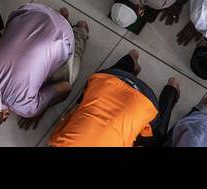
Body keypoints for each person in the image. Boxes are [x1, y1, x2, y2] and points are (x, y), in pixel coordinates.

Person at [0, 4, 85, 132]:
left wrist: (40, 109)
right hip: (31, 11)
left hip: (63, 33)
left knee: (68, 77)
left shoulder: (27, 107)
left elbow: (65, 87)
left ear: (5, 116)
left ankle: (81, 30)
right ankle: (59, 18)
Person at [47, 49, 180, 146]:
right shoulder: (57, 144)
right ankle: (131, 58)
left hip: (144, 100)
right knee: (85, 100)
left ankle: (172, 87)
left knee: (157, 138)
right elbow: (70, 114)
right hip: (107, 79)